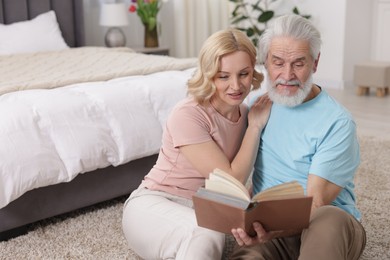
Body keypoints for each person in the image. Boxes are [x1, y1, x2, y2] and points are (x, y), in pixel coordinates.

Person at [122, 28, 272, 260]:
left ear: (253, 71)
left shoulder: (246, 112)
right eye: (223, 76)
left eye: (243, 74)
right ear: (209, 74)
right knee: (205, 234)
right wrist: (254, 128)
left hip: (203, 210)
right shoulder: (189, 114)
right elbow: (231, 181)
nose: (236, 86)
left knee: (213, 234)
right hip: (154, 204)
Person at [230, 14, 366, 260]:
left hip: (323, 225)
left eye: (299, 63)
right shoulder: (256, 107)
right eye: (278, 62)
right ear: (266, 62)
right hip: (268, 228)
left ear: (315, 63)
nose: (287, 74)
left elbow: (316, 202)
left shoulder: (337, 122)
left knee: (328, 218)